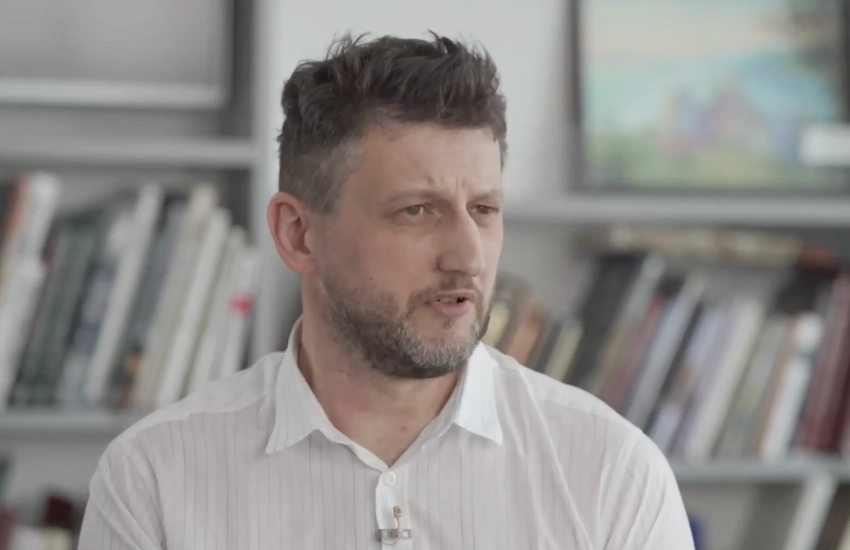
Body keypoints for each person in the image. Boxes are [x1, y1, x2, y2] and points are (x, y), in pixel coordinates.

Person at [79, 32, 695, 550]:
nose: (468, 258)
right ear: (298, 234)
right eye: (416, 211)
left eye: (484, 210)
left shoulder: (613, 475)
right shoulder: (155, 479)